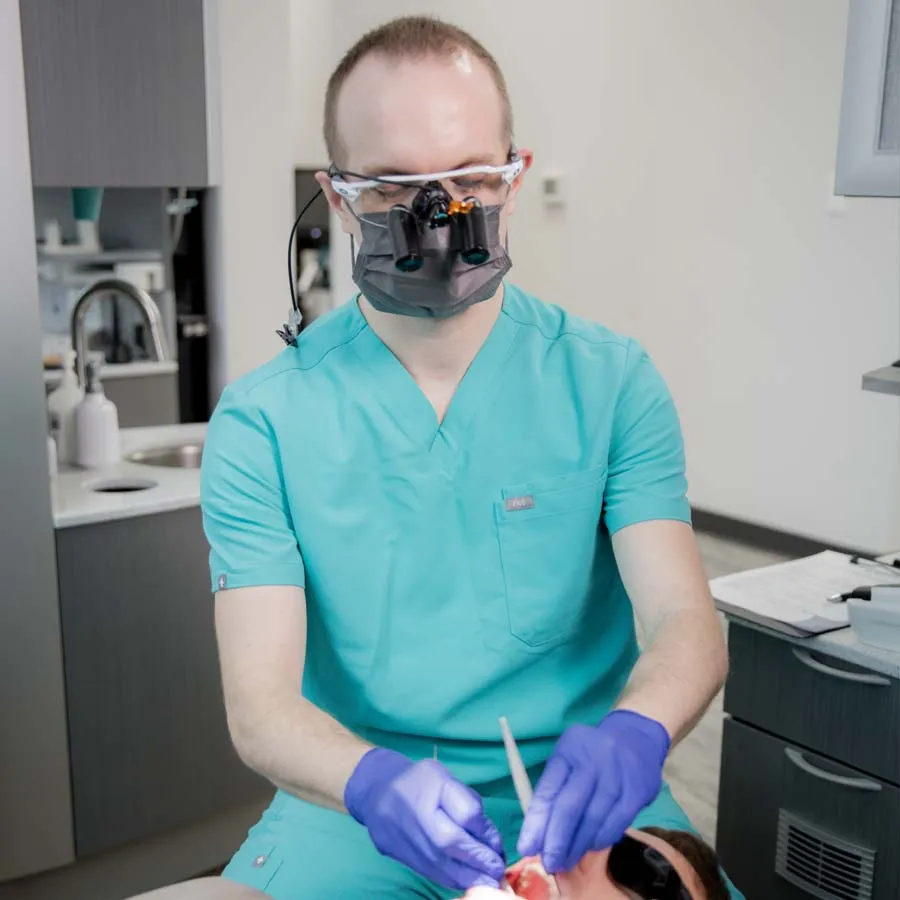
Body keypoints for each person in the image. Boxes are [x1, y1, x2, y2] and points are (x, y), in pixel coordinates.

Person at [200, 14, 742, 900]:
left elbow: (685, 623)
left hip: (584, 802)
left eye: (469, 178)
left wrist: (636, 733)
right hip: (353, 807)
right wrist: (368, 780)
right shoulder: (264, 422)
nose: (438, 214)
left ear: (515, 177)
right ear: (336, 197)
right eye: (393, 187)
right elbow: (260, 706)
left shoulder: (610, 383)